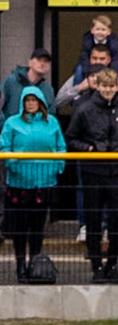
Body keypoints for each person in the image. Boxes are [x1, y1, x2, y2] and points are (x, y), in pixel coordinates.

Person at [0, 86, 66, 280]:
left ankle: (35, 263)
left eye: (34, 100)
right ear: (22, 103)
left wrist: (57, 167)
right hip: (19, 183)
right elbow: (4, 147)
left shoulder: (52, 122)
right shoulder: (12, 123)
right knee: (20, 228)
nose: (30, 104)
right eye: (27, 100)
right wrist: (12, 163)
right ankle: (20, 264)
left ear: (41, 103)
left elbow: (60, 147)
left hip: (44, 182)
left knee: (37, 227)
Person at [67, 68, 118, 280]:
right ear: (97, 86)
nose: (109, 91)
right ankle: (96, 265)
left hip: (115, 172)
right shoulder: (84, 109)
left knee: (116, 221)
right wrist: (88, 149)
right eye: (105, 86)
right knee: (93, 220)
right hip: (92, 171)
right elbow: (71, 138)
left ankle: (112, 264)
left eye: (112, 87)